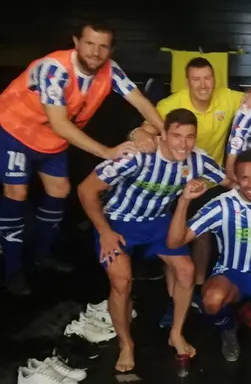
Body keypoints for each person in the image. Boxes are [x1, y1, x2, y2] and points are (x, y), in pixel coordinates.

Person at [0, 22, 165, 296]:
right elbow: (60, 123)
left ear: (110, 49)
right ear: (76, 41)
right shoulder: (54, 68)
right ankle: (12, 269)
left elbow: (140, 101)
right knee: (16, 192)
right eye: (89, 43)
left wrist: (165, 133)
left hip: (50, 141)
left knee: (60, 191)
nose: (95, 52)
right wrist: (107, 152)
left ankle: (41, 255)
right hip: (15, 131)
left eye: (103, 46)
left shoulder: (110, 69)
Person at [77, 108, 224, 372]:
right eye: (177, 136)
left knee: (186, 271)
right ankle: (126, 345)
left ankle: (176, 333)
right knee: (121, 280)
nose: (183, 143)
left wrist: (202, 182)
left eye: (189, 137)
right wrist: (105, 231)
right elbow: (86, 189)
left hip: (157, 222)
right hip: (118, 222)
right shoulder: (136, 157)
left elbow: (226, 178)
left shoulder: (197, 159)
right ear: (163, 135)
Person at [130, 57, 245, 323]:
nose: (203, 85)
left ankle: (198, 287)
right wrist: (137, 134)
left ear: (214, 79)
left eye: (207, 78)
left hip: (209, 180)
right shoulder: (170, 104)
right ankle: (173, 298)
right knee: (174, 235)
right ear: (187, 81)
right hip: (173, 181)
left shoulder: (227, 98)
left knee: (203, 234)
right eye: (196, 79)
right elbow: (145, 130)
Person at [166, 149, 251, 360]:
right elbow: (175, 241)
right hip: (232, 274)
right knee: (211, 301)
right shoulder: (222, 205)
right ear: (236, 180)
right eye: (245, 178)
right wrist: (184, 201)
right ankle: (229, 328)